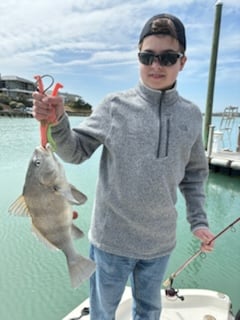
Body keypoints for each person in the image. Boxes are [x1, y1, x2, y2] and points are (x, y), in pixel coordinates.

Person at [33, 13, 215, 320]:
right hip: (110, 242)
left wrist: (198, 221)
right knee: (103, 312)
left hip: (159, 244)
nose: (156, 65)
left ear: (182, 62)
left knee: (149, 311)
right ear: (138, 58)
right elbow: (75, 153)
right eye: (148, 57)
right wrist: (58, 122)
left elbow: (195, 175)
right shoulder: (114, 106)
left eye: (167, 57)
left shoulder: (192, 116)